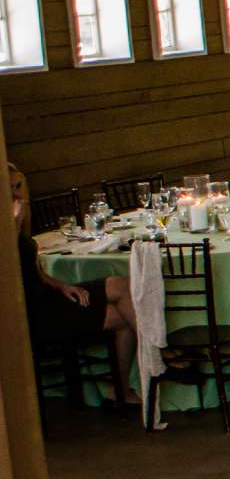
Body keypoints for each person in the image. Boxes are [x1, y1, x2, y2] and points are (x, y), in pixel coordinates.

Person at [10, 161, 157, 415]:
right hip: (30, 314)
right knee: (123, 310)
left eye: (18, 186)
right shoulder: (7, 222)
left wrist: (62, 284)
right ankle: (160, 355)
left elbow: (34, 269)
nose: (16, 192)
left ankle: (122, 386)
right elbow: (8, 265)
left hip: (47, 295)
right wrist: (14, 219)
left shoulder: (17, 214)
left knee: (124, 286)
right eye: (10, 187)